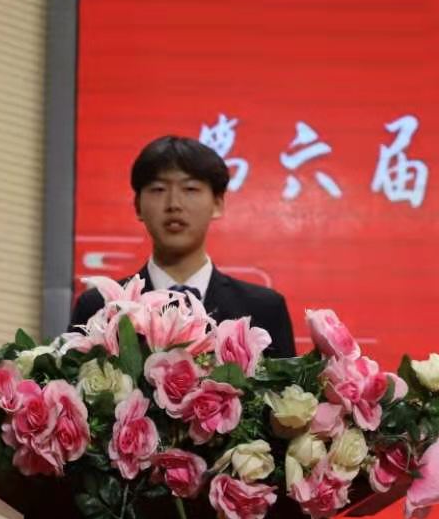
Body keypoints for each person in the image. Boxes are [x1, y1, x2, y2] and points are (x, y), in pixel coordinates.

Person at [68, 135, 296, 356]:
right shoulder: (100, 306)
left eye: (190, 189)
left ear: (217, 203)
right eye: (158, 189)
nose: (174, 204)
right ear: (137, 206)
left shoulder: (264, 309)